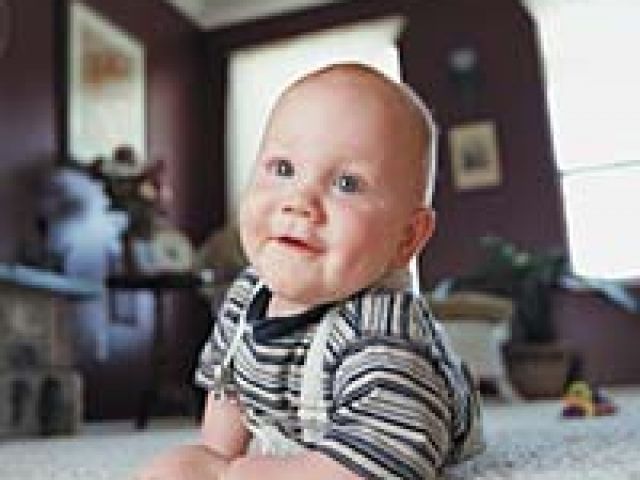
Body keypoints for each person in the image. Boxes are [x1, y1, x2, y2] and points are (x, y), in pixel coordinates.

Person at [136, 62, 483, 480]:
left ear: (406, 239)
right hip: (309, 428)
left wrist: (242, 474)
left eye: (347, 184)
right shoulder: (246, 295)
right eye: (283, 169)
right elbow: (229, 386)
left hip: (392, 430)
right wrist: (215, 456)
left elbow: (391, 461)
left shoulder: (381, 333)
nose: (299, 202)